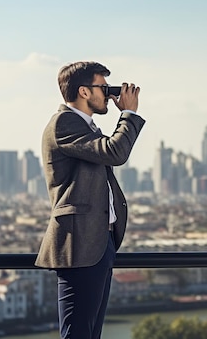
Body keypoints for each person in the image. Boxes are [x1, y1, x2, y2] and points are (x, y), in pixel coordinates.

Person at [35, 61, 145, 339]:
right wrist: (129, 113)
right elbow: (115, 153)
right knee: (78, 333)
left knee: (90, 333)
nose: (109, 94)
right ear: (84, 91)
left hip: (97, 241)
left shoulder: (86, 127)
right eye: (103, 87)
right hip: (80, 242)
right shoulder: (64, 123)